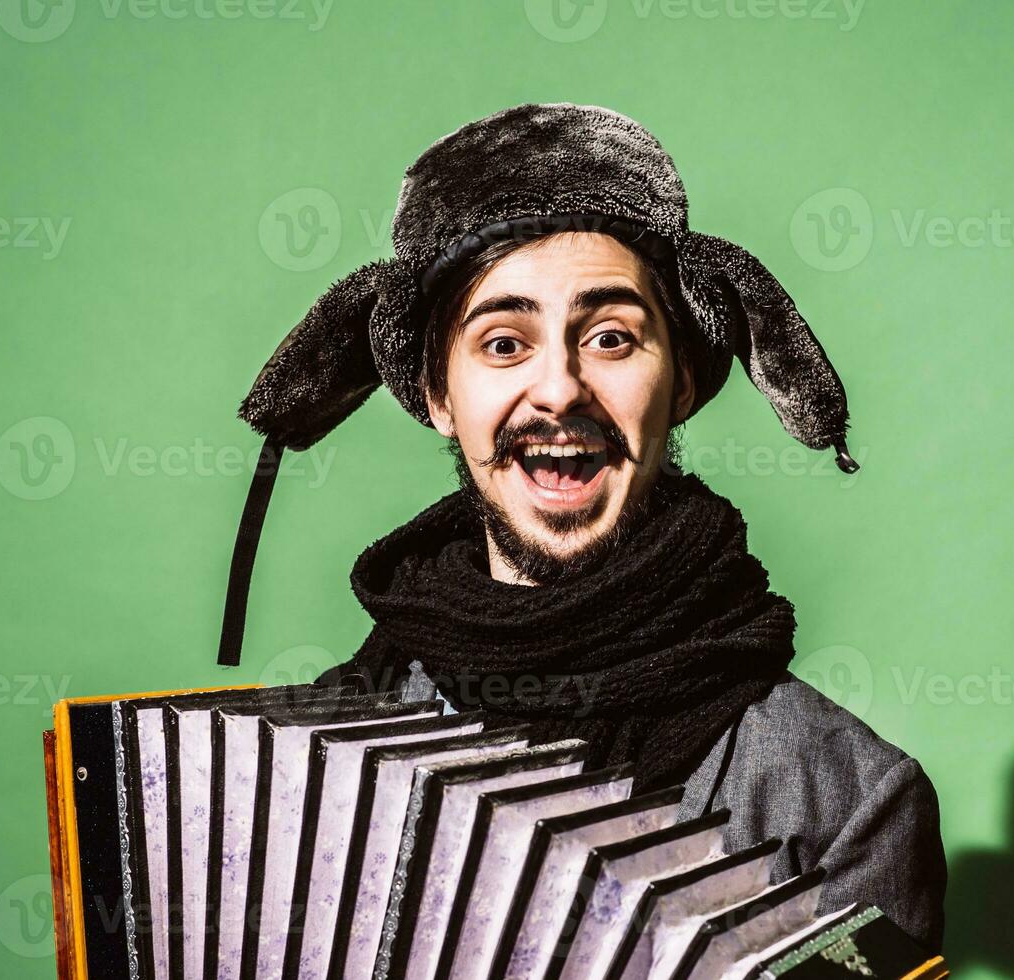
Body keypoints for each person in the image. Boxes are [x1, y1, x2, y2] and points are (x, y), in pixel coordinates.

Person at [217, 103, 946, 952]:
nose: (559, 389)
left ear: (680, 384)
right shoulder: (295, 770)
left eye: (609, 337)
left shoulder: (848, 802)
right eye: (503, 343)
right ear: (439, 397)